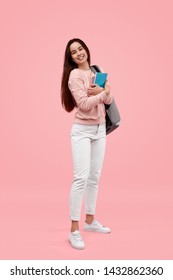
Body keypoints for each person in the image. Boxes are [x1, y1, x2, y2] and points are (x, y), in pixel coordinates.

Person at [61, 38, 112, 250]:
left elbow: (109, 101)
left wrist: (104, 93)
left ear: (86, 49)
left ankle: (90, 221)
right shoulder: (74, 75)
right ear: (71, 58)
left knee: (94, 177)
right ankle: (74, 229)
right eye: (74, 52)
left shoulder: (96, 70)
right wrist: (103, 93)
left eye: (80, 48)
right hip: (82, 131)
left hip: (100, 130)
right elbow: (82, 105)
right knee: (80, 177)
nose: (79, 53)